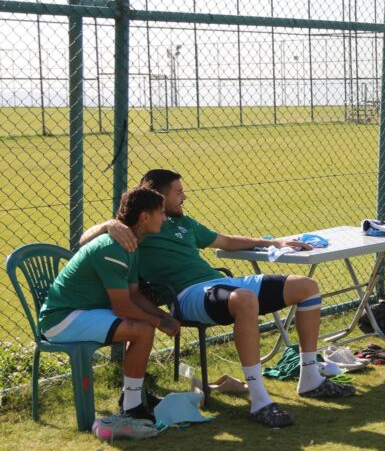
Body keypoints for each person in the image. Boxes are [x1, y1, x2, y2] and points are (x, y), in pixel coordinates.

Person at [81, 170, 353, 429]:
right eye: (179, 192)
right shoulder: (144, 224)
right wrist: (109, 224)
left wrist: (275, 243)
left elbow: (225, 241)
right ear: (159, 198)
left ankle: (310, 377)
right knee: (245, 299)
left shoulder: (184, 223)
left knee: (306, 286)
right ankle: (260, 401)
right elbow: (85, 241)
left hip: (220, 284)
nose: (184, 197)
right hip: (188, 295)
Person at [40, 187, 179, 422]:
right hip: (62, 320)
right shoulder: (112, 248)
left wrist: (163, 316)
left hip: (83, 313)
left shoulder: (130, 244)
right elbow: (123, 307)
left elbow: (134, 295)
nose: (165, 218)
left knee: (144, 326)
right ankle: (132, 406)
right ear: (145, 217)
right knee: (143, 329)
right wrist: (158, 322)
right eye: (161, 213)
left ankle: (134, 397)